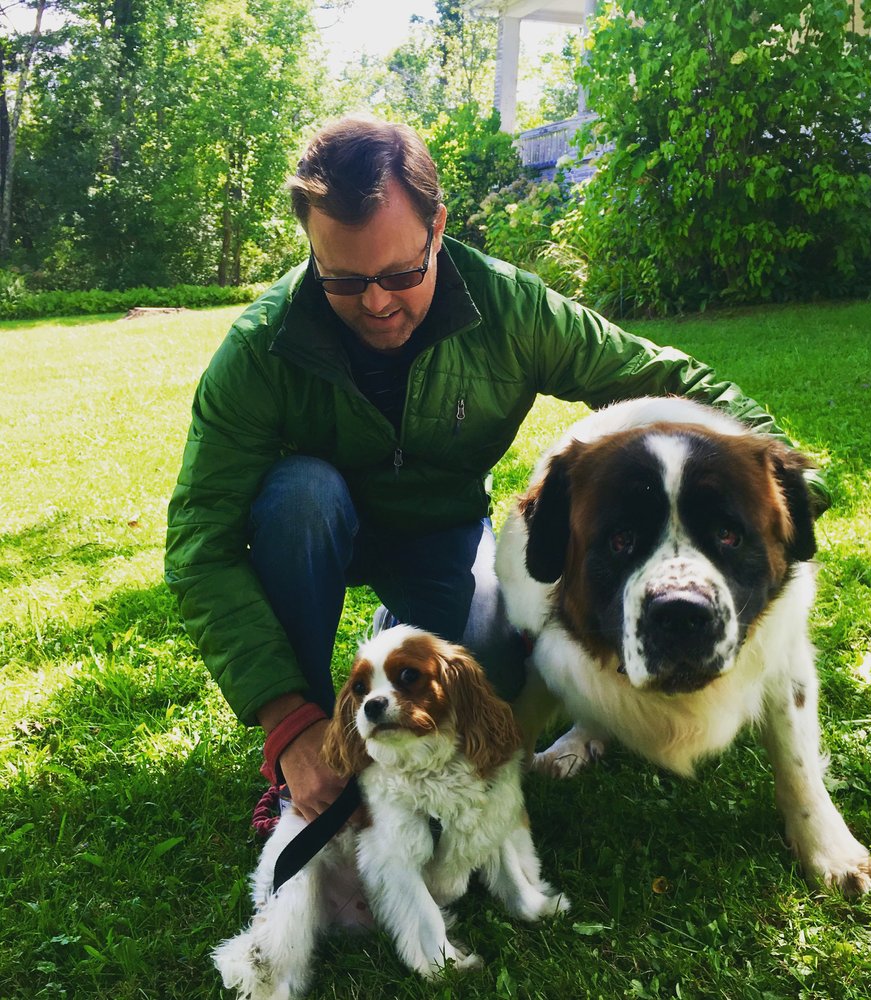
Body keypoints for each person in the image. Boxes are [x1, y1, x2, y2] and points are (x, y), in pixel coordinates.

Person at [165, 114, 827, 830]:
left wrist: (794, 487)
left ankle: (402, 626)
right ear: (311, 249)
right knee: (302, 496)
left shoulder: (508, 307)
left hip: (443, 535)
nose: (378, 303)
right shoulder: (260, 350)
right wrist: (284, 720)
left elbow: (656, 373)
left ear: (438, 226)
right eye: (345, 281)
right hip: (319, 530)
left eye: (401, 273)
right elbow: (200, 540)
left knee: (497, 676)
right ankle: (306, 749)